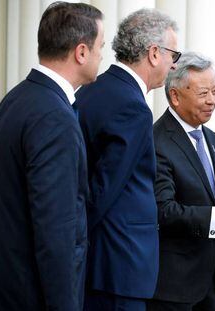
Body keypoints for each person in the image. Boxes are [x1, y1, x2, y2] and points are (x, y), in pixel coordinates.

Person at [0, 2, 104, 310]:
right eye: (100, 47)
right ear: (81, 52)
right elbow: (56, 229)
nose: (101, 56)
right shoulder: (53, 115)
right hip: (33, 294)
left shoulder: (17, 98)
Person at [75, 9, 179, 311]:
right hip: (118, 266)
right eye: (174, 53)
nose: (175, 63)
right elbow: (104, 189)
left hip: (100, 264)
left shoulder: (93, 89)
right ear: (154, 53)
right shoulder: (132, 106)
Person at [146, 52, 215, 311]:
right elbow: (163, 210)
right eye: (203, 93)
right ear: (175, 96)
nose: (212, 101)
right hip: (173, 287)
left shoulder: (212, 139)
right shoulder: (156, 141)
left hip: (211, 285)